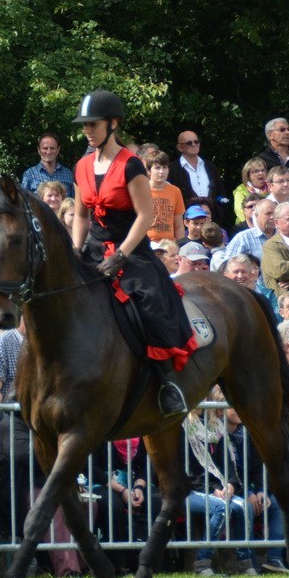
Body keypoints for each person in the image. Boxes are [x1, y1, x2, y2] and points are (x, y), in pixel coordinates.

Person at [69, 90, 195, 417]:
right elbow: (81, 216)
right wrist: (74, 250)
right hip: (94, 248)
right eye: (84, 126)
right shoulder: (81, 165)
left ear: (112, 124)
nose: (87, 130)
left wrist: (122, 254)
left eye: (92, 124)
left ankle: (168, 383)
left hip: (132, 250)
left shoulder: (132, 164)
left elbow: (146, 215)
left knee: (152, 302)